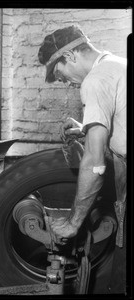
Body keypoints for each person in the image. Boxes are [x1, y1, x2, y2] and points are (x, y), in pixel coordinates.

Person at [38, 25, 126, 294]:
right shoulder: (118, 64)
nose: (63, 81)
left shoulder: (96, 80)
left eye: (59, 72)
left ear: (71, 55)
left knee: (122, 279)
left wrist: (73, 223)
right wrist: (87, 127)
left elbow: (94, 164)